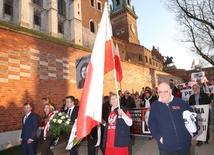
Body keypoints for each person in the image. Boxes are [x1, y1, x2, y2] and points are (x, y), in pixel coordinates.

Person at [148, 82, 198, 155]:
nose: (162, 94)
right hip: (166, 148)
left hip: (184, 145)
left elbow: (192, 116)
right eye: (160, 92)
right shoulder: (155, 106)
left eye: (165, 91)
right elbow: (151, 124)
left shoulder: (179, 102)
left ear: (170, 91)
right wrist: (159, 137)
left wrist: (193, 132)